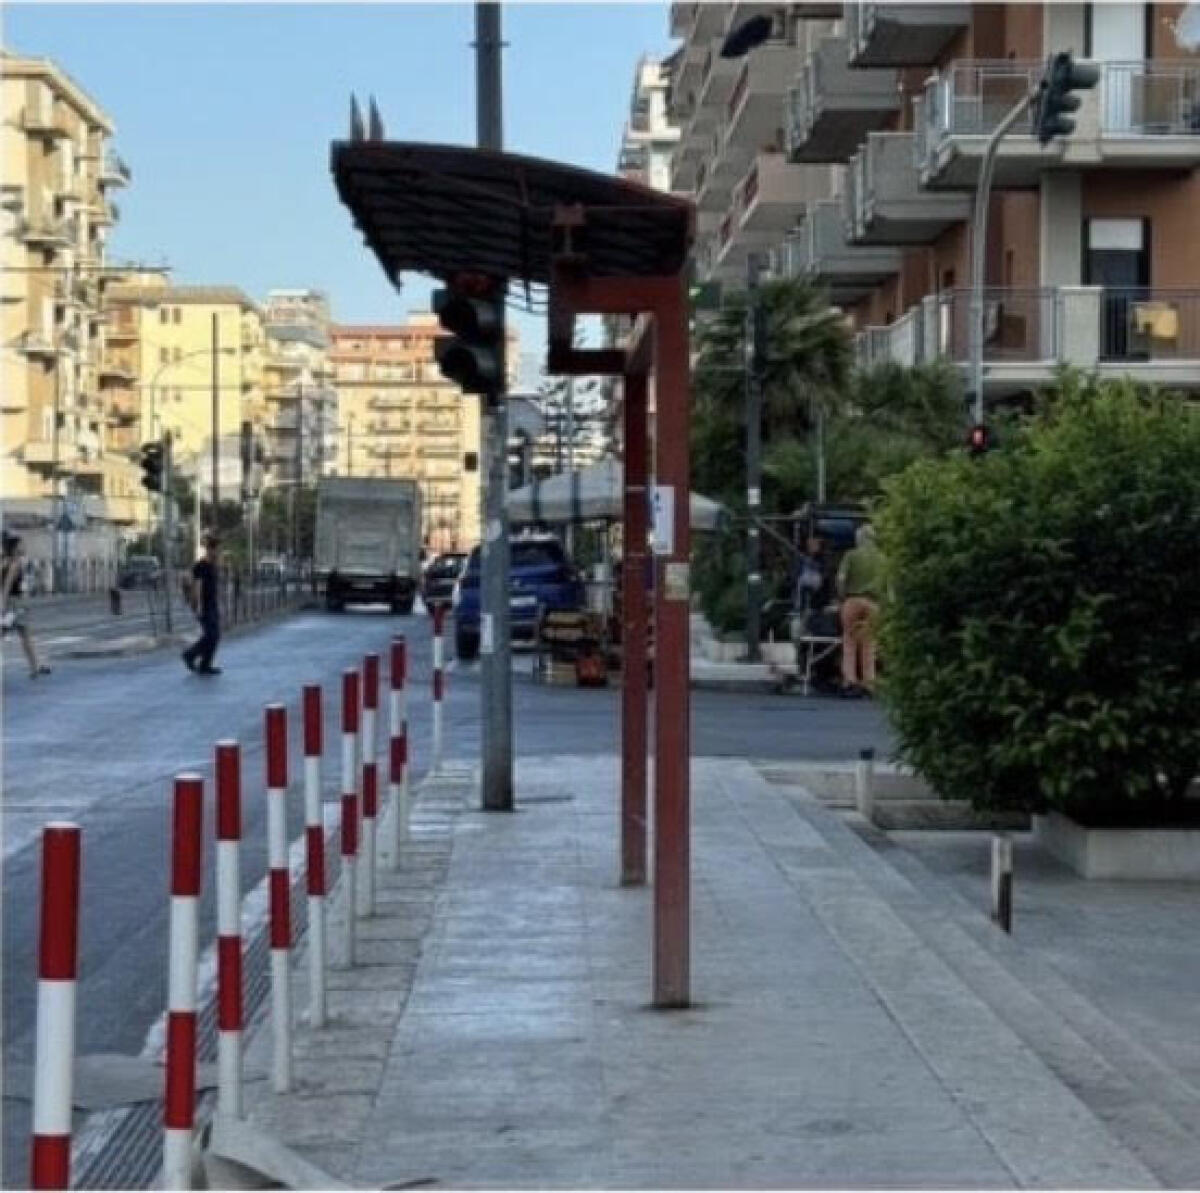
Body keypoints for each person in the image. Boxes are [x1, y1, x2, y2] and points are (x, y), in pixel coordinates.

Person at [836, 523, 884, 697]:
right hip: (873, 603)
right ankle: (869, 683)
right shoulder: (881, 558)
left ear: (859, 539)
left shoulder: (851, 555)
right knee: (869, 642)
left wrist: (841, 597)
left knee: (849, 640)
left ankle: (850, 680)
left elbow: (841, 579)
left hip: (852, 600)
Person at [2, 532, 51, 678]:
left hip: (14, 603)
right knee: (25, 636)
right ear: (15, 547)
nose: (23, 546)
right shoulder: (14, 563)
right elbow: (7, 585)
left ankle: (35, 667)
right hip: (15, 604)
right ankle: (35, 667)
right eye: (21, 544)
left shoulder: (5, 562)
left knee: (26, 635)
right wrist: (2, 605)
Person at [181, 532, 222, 675]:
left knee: (215, 635)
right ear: (210, 550)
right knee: (211, 635)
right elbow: (197, 586)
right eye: (216, 550)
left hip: (212, 604)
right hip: (204, 605)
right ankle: (190, 654)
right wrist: (197, 606)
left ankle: (205, 664)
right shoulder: (202, 566)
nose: (218, 553)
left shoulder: (213, 566)